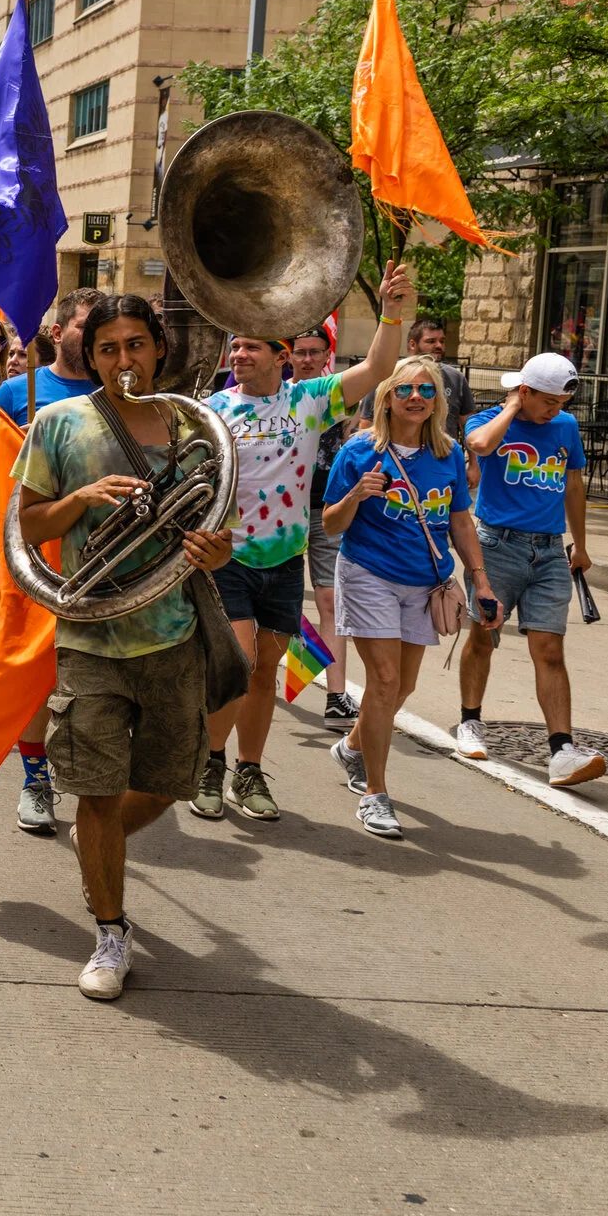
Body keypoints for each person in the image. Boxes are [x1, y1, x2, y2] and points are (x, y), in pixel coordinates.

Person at [12, 295, 236, 1000]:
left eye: (135, 345)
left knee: (172, 779)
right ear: (91, 354)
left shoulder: (196, 425)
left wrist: (216, 550)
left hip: (173, 632)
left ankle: (95, 842)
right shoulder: (58, 422)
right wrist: (82, 500)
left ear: (158, 347)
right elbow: (26, 524)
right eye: (108, 348)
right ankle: (111, 927)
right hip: (91, 633)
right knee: (98, 789)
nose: (123, 361)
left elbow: (223, 529)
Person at [196, 265, 412, 825]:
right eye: (235, 347)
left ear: (281, 354)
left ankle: (249, 770)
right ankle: (210, 765)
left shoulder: (308, 400)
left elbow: (380, 368)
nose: (238, 356)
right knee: (237, 664)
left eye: (249, 347)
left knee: (268, 669)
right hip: (229, 558)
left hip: (285, 560)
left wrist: (393, 313)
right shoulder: (213, 411)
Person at [320, 355, 498, 839]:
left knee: (402, 689)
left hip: (426, 581)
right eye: (405, 390)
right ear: (387, 398)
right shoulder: (358, 452)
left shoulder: (447, 454)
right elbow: (330, 524)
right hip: (368, 573)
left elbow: (460, 519)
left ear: (438, 400)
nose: (416, 397)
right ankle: (376, 794)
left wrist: (480, 580)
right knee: (382, 681)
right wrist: (356, 495)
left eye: (426, 390)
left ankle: (353, 746)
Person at [0, 288, 103, 832]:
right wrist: (17, 448)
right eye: (85, 327)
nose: (96, 337)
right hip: (34, 557)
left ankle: (92, 782)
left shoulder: (121, 393)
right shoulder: (15, 389)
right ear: (57, 332)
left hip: (100, 557)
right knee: (34, 673)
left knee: (91, 677)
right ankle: (35, 778)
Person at [458, 351, 602, 784]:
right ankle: (470, 721)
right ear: (525, 391)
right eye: (548, 402)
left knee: (550, 649)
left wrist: (580, 543)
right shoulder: (488, 421)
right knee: (484, 637)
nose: (556, 411)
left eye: (561, 403)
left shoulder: (566, 427)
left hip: (549, 550)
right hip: (496, 546)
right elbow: (480, 447)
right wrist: (512, 409)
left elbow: (573, 484)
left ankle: (562, 751)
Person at [288, 329, 358, 731]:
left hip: (327, 509)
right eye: (301, 353)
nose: (308, 359)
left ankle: (336, 696)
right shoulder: (280, 397)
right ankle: (269, 672)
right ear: (290, 357)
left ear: (328, 355)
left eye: (316, 352)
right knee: (283, 601)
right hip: (282, 512)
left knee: (331, 601)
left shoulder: (340, 397)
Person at [407, 316, 475, 428]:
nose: (439, 345)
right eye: (431, 341)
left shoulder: (455, 378)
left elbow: (469, 426)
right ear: (413, 344)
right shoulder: (393, 376)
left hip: (445, 445)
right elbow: (368, 423)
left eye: (442, 341)